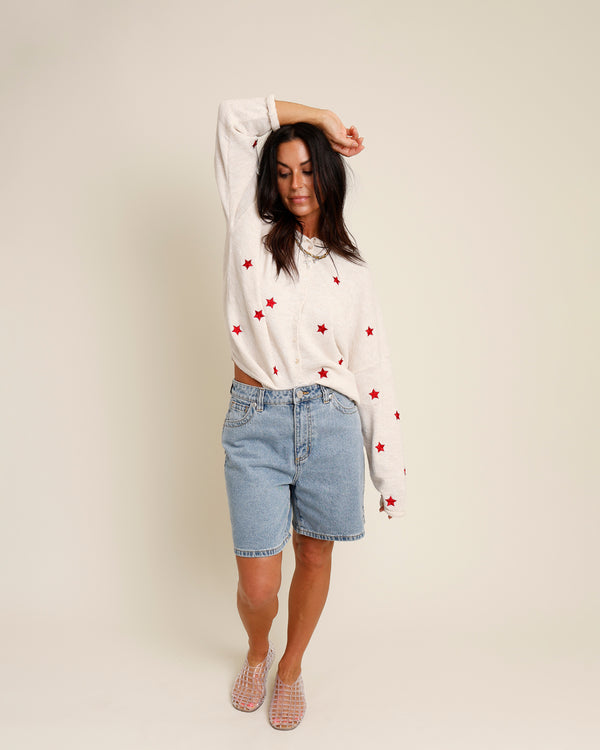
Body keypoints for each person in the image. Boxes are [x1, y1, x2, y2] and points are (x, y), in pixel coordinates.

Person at [214, 95, 407, 730]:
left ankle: (291, 667)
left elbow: (372, 371)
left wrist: (388, 473)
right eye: (283, 172)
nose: (296, 184)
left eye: (307, 169)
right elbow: (235, 116)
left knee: (316, 557)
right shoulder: (247, 226)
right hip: (256, 421)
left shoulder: (352, 271)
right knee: (259, 585)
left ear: (328, 175)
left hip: (330, 423)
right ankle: (258, 651)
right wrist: (320, 118)